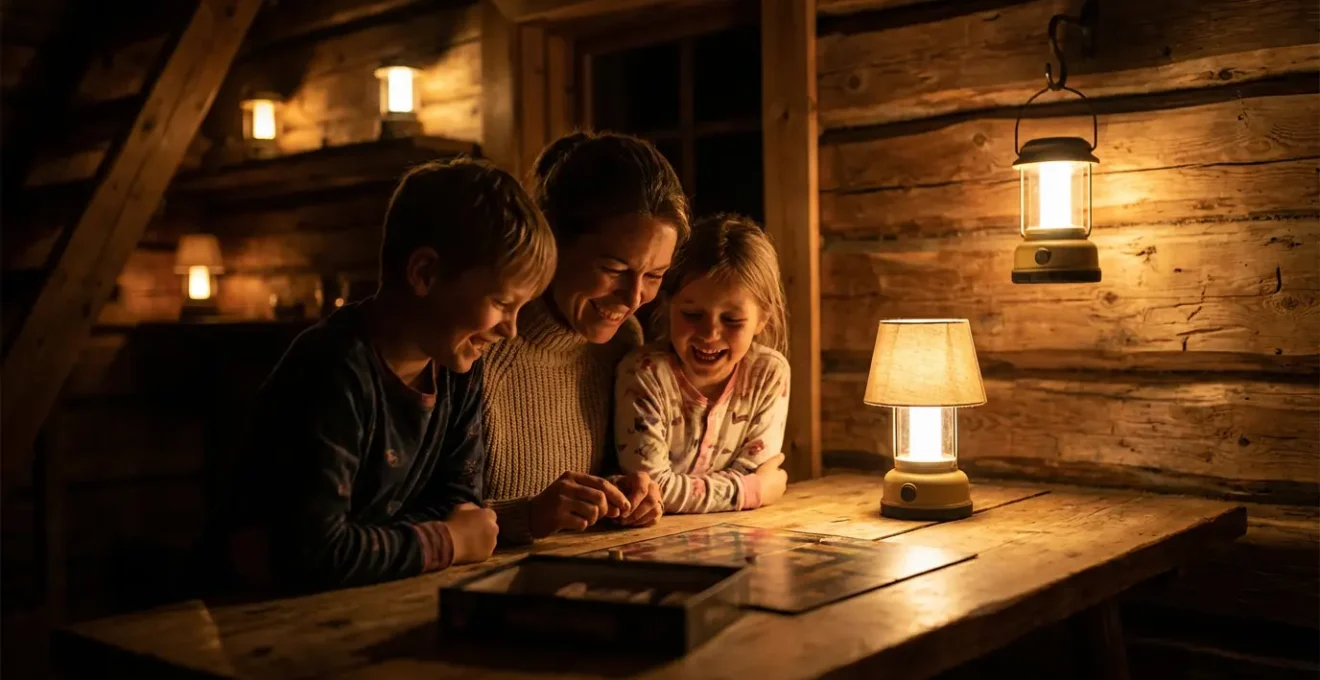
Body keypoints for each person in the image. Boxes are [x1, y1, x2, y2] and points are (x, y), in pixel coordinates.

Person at [218, 158, 556, 593]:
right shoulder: (333, 368)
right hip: (247, 616)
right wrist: (447, 541)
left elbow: (461, 504)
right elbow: (314, 554)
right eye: (501, 302)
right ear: (424, 274)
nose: (510, 330)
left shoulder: (458, 368)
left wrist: (373, 541)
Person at [481, 131, 690, 544]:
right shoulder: (480, 345)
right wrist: (528, 516)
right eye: (613, 269)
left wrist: (625, 494)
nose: (633, 299)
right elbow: (424, 517)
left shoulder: (623, 344)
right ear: (553, 239)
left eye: (653, 276)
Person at [614, 214, 790, 514]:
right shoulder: (644, 374)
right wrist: (753, 491)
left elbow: (757, 468)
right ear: (669, 305)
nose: (710, 334)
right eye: (692, 315)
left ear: (762, 318)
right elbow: (652, 488)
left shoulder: (768, 373)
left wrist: (752, 484)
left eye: (732, 320)